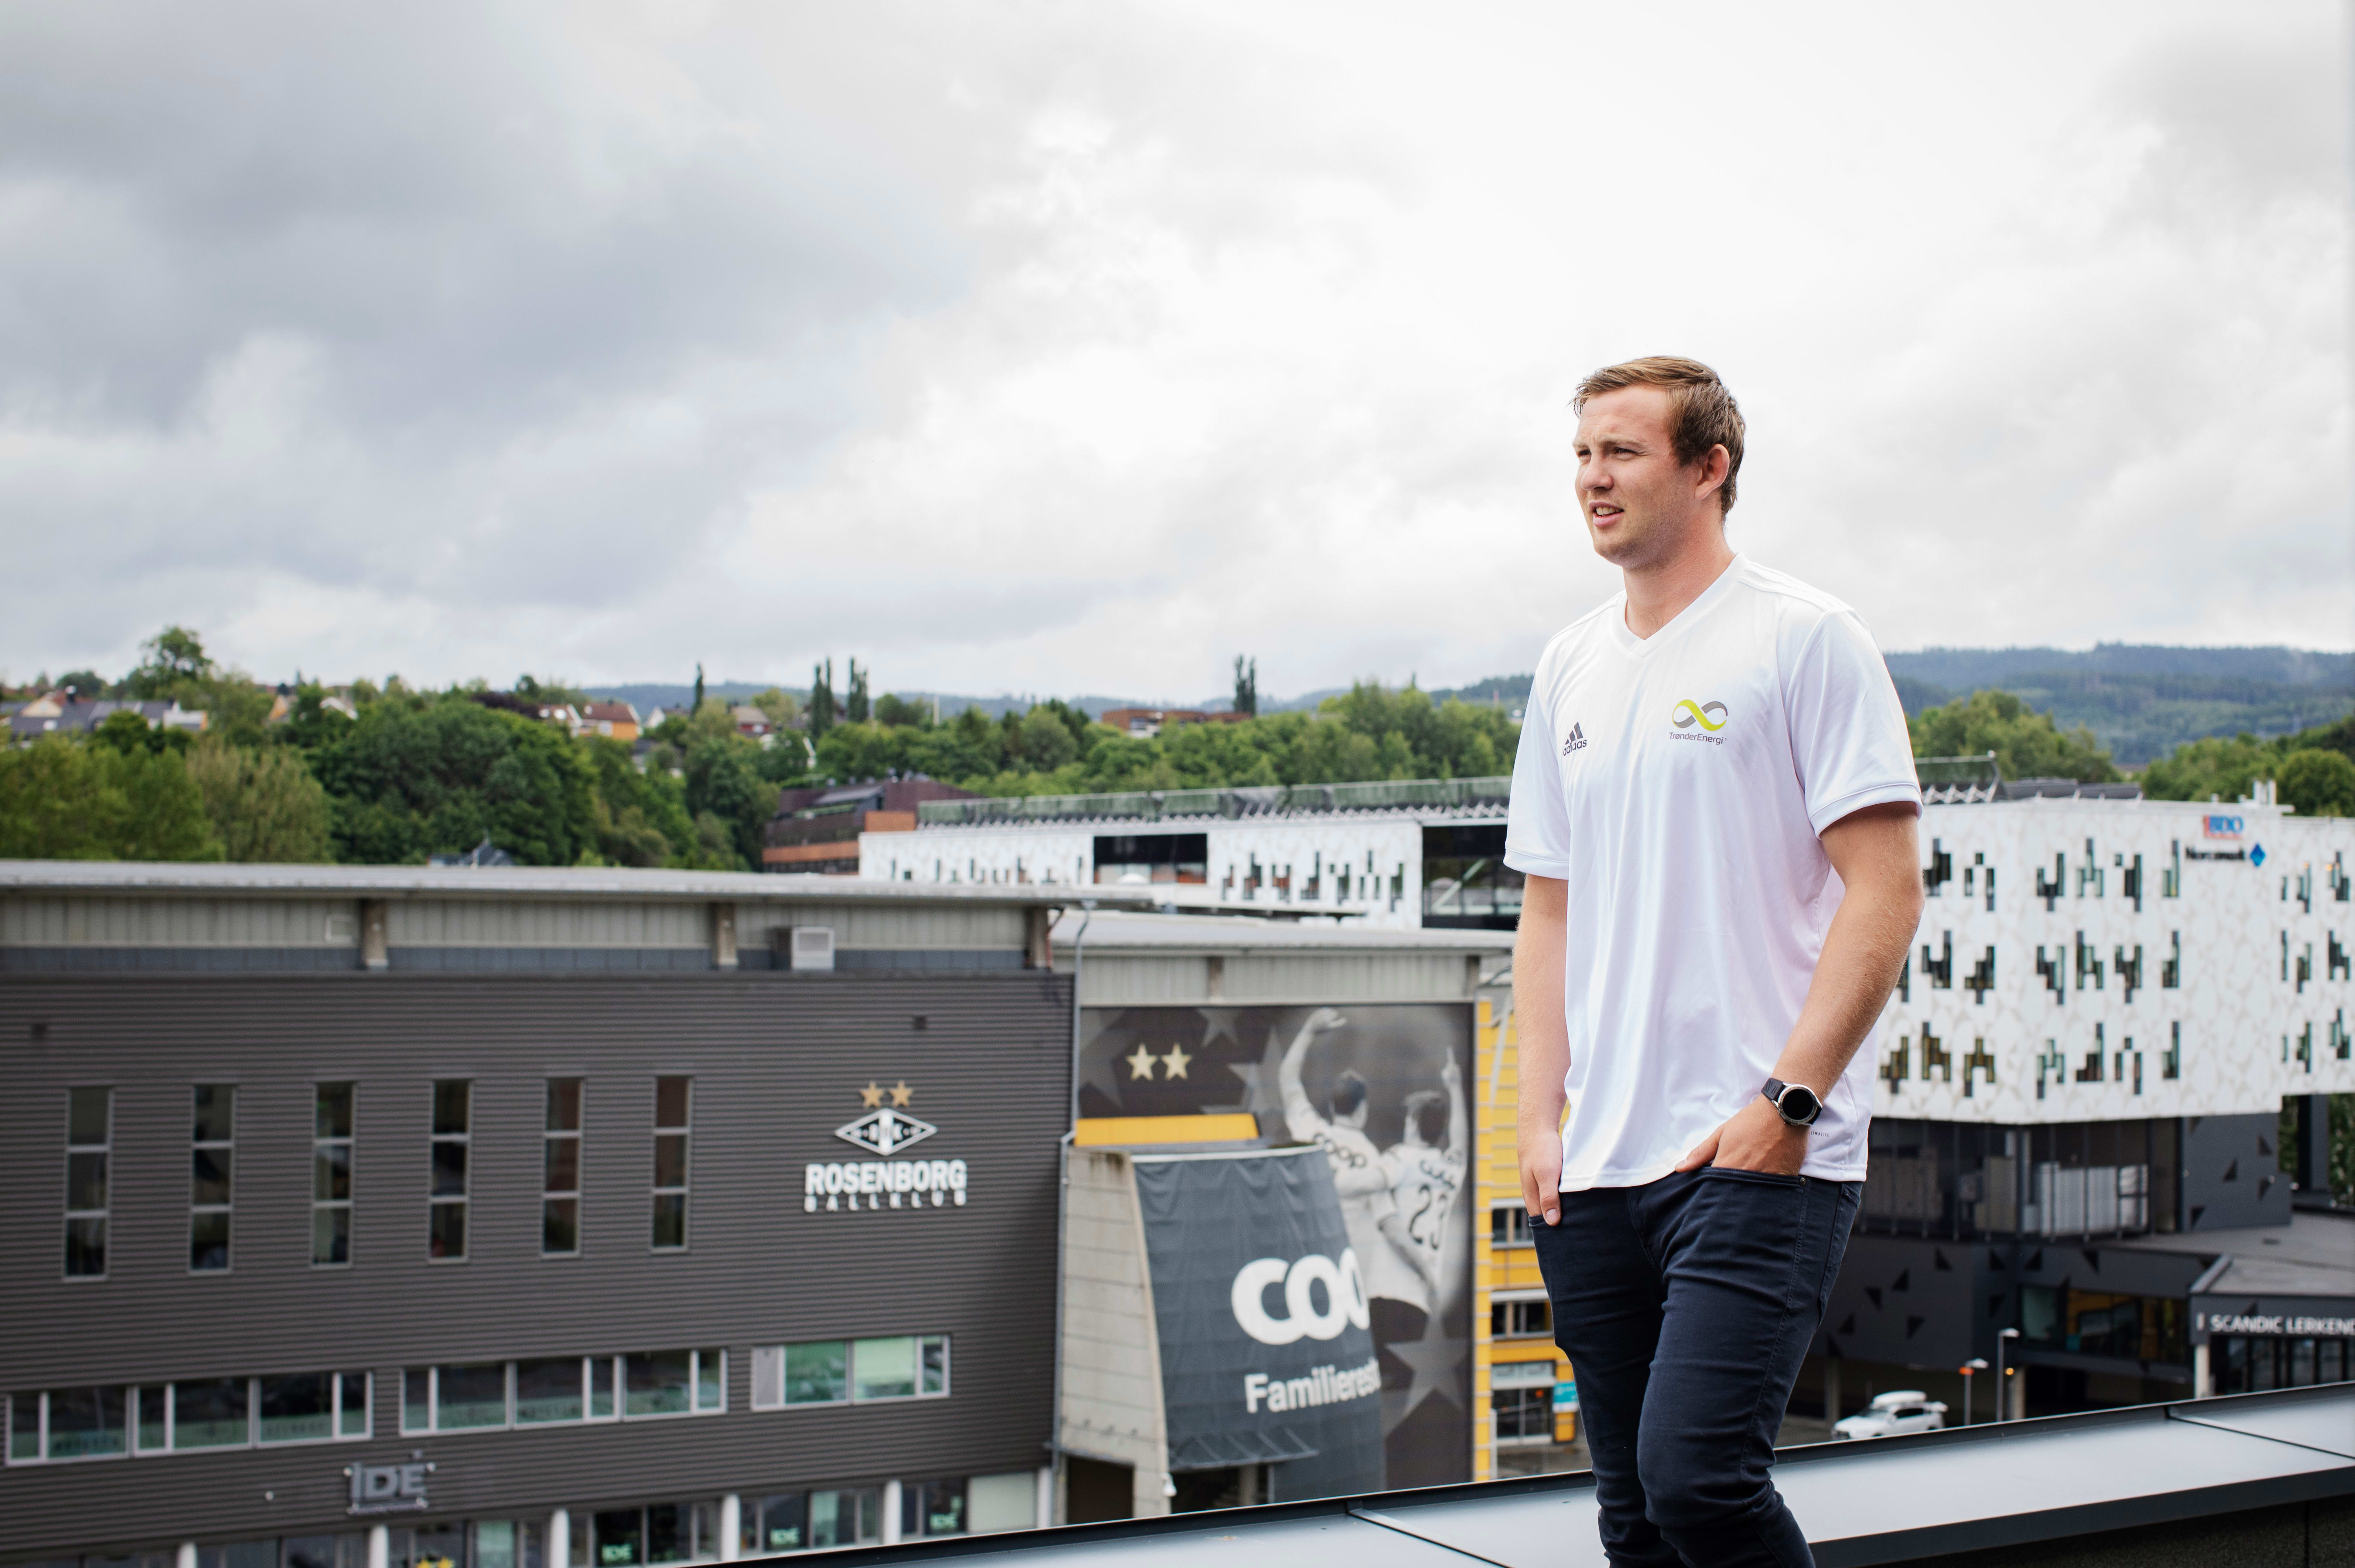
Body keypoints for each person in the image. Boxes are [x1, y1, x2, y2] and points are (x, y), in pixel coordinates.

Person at [1506, 357, 1924, 1568]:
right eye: (1583, 455)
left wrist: (1788, 1103)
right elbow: (1548, 911)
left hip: (1751, 1154)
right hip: (1595, 1169)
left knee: (1699, 1483)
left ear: (1709, 468)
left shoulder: (1805, 638)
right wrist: (1537, 1123)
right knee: (1635, 1519)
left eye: (1623, 453)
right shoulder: (1568, 664)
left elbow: (1887, 891)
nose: (1593, 479)